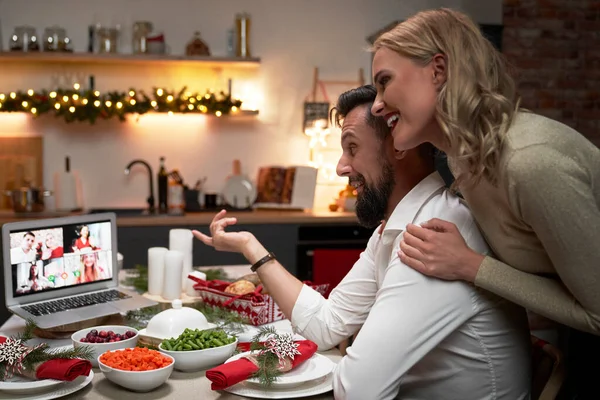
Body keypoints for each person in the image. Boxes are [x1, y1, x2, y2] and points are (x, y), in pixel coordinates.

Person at [193, 85, 531, 400]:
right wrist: (251, 246)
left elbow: (358, 390)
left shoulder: (434, 233)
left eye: (352, 148)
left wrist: (351, 352)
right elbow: (326, 325)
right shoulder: (393, 228)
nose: (341, 167)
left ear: (399, 145)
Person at [369, 7, 600, 398]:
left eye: (384, 82)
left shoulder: (530, 163)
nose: (377, 104)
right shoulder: (464, 160)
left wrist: (471, 266)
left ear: (437, 71)